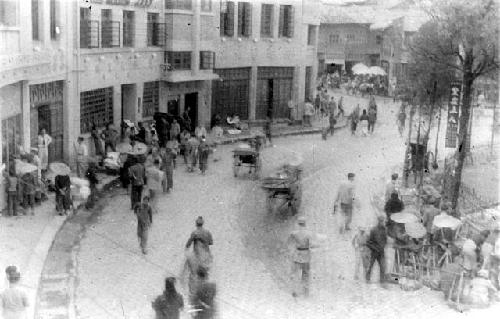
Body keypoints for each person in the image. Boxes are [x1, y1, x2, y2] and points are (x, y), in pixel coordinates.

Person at [288, 217, 315, 297]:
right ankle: (305, 291)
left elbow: (289, 243)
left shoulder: (294, 233)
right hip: (306, 255)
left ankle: (295, 291)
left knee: (295, 273)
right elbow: (312, 245)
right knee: (306, 274)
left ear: (298, 223)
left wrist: (291, 252)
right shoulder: (309, 233)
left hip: (297, 255)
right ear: (305, 223)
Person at [366, 216, 387, 284]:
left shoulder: (384, 230)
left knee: (383, 266)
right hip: (374, 252)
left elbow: (385, 240)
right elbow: (368, 242)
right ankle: (367, 279)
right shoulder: (373, 230)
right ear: (378, 221)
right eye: (381, 221)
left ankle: (382, 281)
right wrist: (375, 248)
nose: (382, 222)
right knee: (370, 265)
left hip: (381, 252)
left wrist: (382, 246)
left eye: (383, 221)